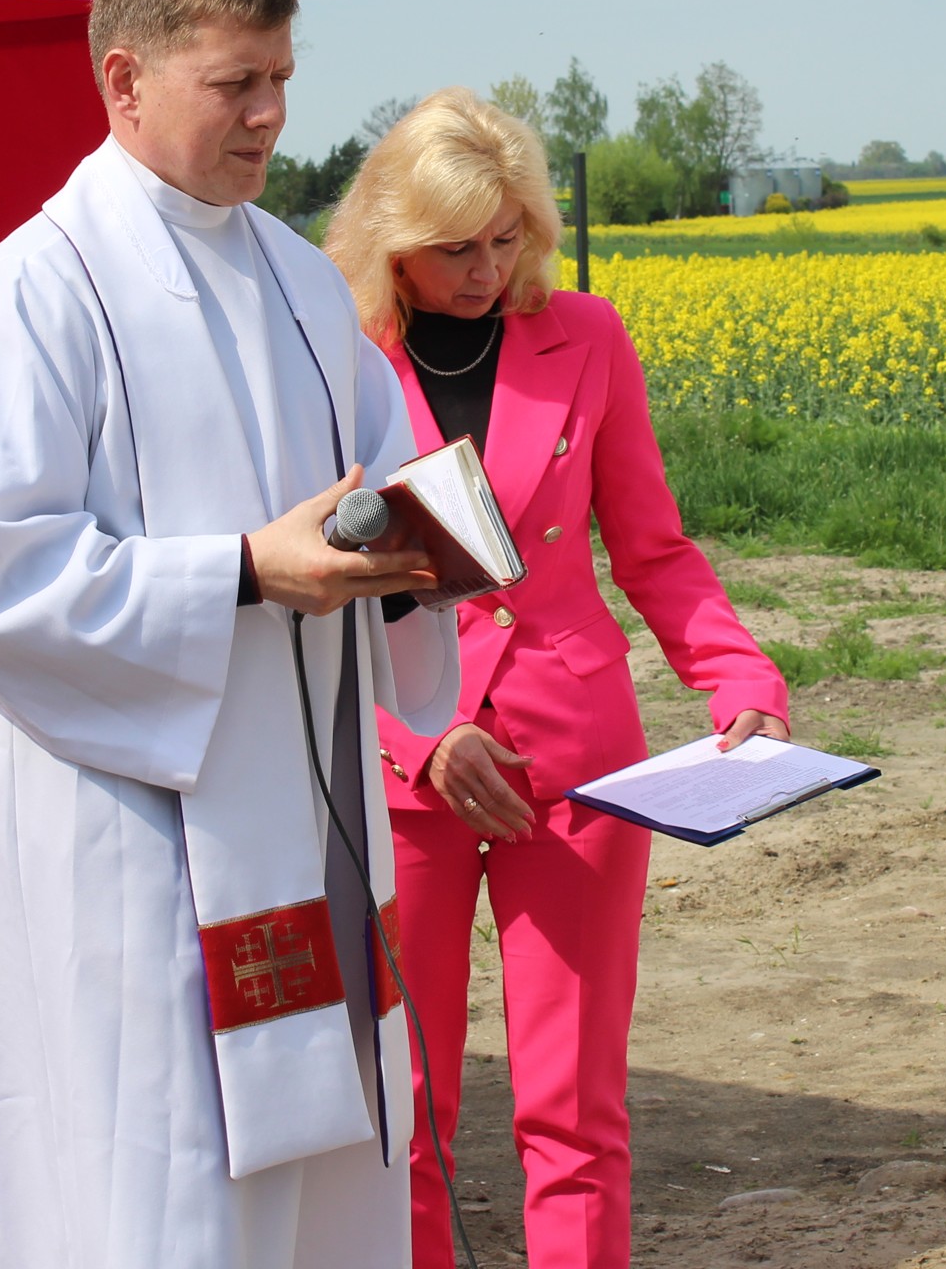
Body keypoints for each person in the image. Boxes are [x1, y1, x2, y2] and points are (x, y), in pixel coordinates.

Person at [0, 0, 462, 1269]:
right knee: (161, 1195)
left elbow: (377, 478)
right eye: (236, 84)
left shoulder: (299, 280)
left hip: (312, 825)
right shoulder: (36, 293)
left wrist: (424, 552)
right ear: (125, 79)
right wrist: (242, 572)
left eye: (282, 80)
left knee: (324, 1192)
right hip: (141, 841)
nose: (270, 115)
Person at [323, 89, 791, 1269]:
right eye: (454, 249)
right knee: (404, 1110)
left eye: (507, 237)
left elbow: (653, 547)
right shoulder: (333, 360)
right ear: (391, 242)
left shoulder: (589, 336)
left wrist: (738, 676)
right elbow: (311, 596)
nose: (487, 271)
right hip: (403, 771)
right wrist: (419, 740)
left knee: (575, 1108)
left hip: (576, 768)